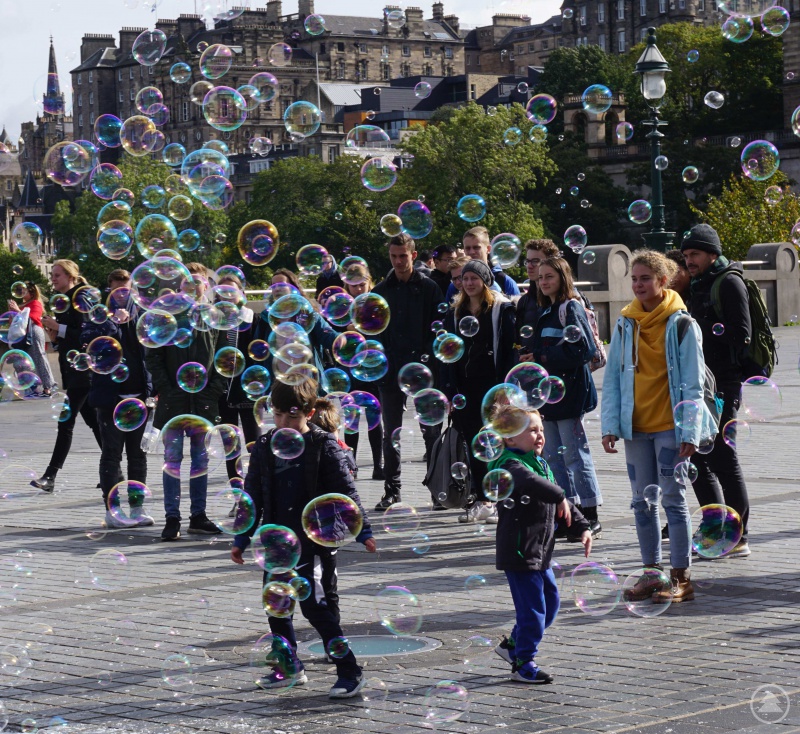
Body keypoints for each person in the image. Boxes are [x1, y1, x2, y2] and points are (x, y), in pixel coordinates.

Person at [231, 379, 376, 698]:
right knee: (277, 604)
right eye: (278, 415)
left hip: (313, 539)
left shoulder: (323, 444)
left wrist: (363, 530)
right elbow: (252, 495)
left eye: (292, 416)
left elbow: (346, 493)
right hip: (276, 540)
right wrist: (242, 537)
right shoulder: (265, 445)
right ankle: (289, 666)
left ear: (310, 413)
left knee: (315, 607)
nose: (284, 422)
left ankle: (349, 670)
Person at [602, 249, 718, 602]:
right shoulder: (625, 322)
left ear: (663, 281)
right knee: (641, 502)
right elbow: (612, 378)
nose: (638, 285)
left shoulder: (681, 324)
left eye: (646, 279)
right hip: (635, 426)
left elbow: (693, 383)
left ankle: (681, 577)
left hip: (670, 425)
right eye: (634, 279)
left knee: (672, 499)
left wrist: (690, 431)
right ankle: (651, 574)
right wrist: (609, 424)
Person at [488, 404, 591, 683]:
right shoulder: (507, 464)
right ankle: (523, 663)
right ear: (510, 437)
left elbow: (561, 501)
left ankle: (512, 645)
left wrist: (582, 526)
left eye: (541, 429)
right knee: (533, 611)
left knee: (551, 603)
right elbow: (530, 482)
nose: (540, 435)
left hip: (541, 550)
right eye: (532, 430)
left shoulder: (540, 463)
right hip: (519, 551)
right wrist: (558, 495)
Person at [681, 224, 752, 557]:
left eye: (695, 254)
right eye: (686, 255)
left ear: (712, 253)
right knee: (696, 456)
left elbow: (741, 333)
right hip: (700, 385)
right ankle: (715, 529)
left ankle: (740, 536)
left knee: (723, 459)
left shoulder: (729, 282)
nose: (689, 261)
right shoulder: (698, 284)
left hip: (723, 383)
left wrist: (699, 328)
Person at [145, 262, 226, 541]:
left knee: (201, 460)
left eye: (197, 282)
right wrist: (168, 389)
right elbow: (153, 357)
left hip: (204, 401)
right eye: (187, 282)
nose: (192, 287)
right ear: (179, 287)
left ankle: (198, 516)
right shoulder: (166, 317)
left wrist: (213, 391)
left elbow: (226, 358)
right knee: (172, 460)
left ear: (207, 286)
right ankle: (172, 518)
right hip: (173, 402)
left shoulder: (216, 316)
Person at [371, 233, 445, 511]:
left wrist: (426, 359)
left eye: (403, 256)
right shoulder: (381, 290)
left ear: (413, 255)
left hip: (423, 370)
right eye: (394, 256)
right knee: (391, 433)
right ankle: (392, 491)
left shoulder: (429, 288)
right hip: (390, 371)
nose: (398, 261)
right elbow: (373, 332)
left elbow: (438, 328)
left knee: (431, 432)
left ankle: (437, 491)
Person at [530, 257, 603, 537]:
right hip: (549, 395)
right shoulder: (546, 311)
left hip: (569, 394)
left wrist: (541, 356)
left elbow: (583, 350)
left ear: (563, 278)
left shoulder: (570, 307)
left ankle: (591, 513)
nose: (544, 282)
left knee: (575, 455)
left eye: (549, 276)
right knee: (553, 457)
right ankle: (568, 515)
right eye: (540, 277)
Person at [441, 260, 516, 524]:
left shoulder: (501, 309)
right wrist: (449, 391)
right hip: (465, 387)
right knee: (475, 444)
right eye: (465, 279)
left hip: (493, 386)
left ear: (485, 281)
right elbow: (447, 353)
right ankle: (484, 501)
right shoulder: (455, 312)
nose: (469, 283)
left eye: (474, 278)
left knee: (498, 443)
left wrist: (506, 386)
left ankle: (501, 499)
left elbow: (510, 349)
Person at [83, 269, 155, 528]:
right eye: (117, 290)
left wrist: (155, 389)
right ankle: (112, 511)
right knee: (112, 455)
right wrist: (113, 324)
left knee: (138, 456)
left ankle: (137, 508)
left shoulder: (142, 315)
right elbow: (89, 342)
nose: (123, 295)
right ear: (109, 289)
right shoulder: (98, 316)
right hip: (110, 397)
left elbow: (151, 351)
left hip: (139, 396)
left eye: (127, 290)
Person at [31, 260, 103, 492]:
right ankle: (114, 470)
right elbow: (68, 339)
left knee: (66, 422)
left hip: (83, 372)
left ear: (71, 276)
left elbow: (86, 333)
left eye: (57, 275)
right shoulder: (63, 301)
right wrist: (54, 335)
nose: (53, 278)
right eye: (52, 274)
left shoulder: (80, 297)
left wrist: (58, 327)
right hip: (73, 371)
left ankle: (50, 476)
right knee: (94, 422)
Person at [340, 265, 384, 480]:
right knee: (352, 421)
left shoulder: (377, 306)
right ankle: (352, 466)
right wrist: (346, 331)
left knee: (375, 419)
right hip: (351, 370)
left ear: (369, 282)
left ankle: (378, 465)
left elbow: (382, 333)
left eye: (361, 284)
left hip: (374, 368)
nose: (358, 289)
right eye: (353, 285)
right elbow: (334, 338)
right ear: (346, 285)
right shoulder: (342, 309)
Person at [215, 273, 259, 483]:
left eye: (232, 291)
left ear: (241, 293)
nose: (227, 296)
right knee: (230, 446)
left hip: (248, 389)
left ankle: (256, 489)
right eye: (223, 292)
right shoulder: (214, 321)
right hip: (222, 390)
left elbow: (259, 353)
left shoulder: (252, 319)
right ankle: (236, 491)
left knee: (254, 444)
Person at [444, 226, 521, 302]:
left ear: (488, 249)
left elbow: (517, 308)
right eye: (468, 248)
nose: (471, 252)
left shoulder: (504, 281)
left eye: (476, 247)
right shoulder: (456, 283)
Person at [7, 282, 56, 396]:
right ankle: (30, 388)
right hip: (21, 335)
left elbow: (33, 318)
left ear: (32, 292)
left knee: (39, 357)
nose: (21, 292)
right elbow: (14, 323)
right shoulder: (21, 305)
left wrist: (18, 311)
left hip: (33, 332)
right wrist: (11, 313)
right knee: (20, 361)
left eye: (24, 290)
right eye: (19, 290)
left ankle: (47, 387)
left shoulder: (35, 303)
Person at [517, 239, 560, 363]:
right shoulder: (524, 301)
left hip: (557, 369)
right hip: (530, 369)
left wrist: (541, 356)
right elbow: (518, 341)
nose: (529, 266)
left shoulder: (567, 301)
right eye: (528, 261)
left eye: (535, 261)